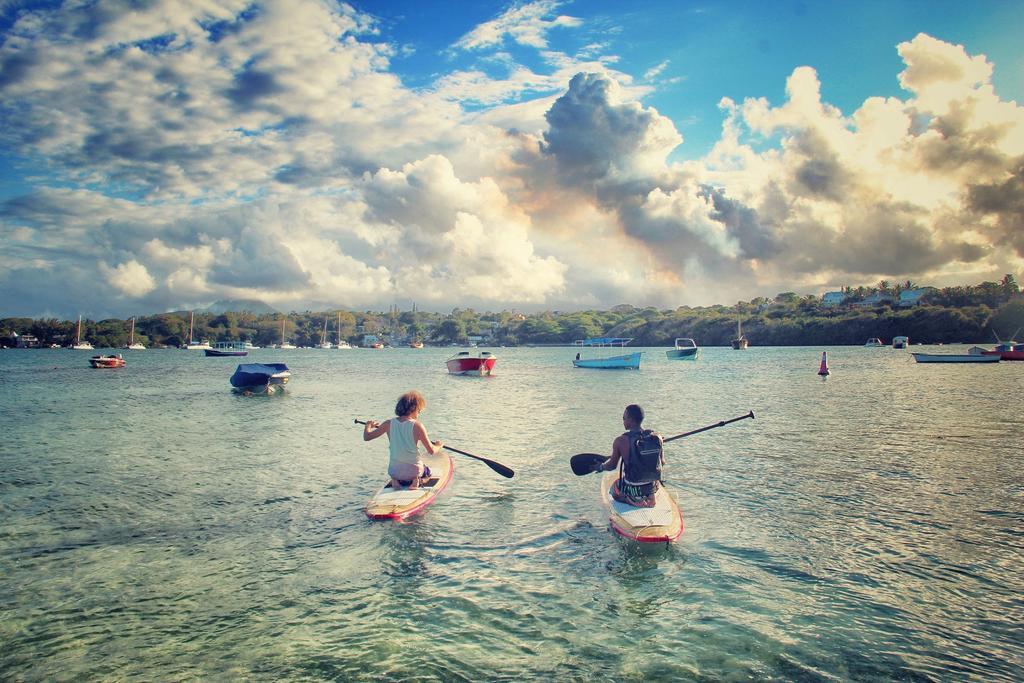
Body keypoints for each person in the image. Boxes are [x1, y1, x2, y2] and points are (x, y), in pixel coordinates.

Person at [363, 390, 444, 490]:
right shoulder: (418, 426)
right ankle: (417, 480)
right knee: (428, 472)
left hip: (395, 471)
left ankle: (395, 480)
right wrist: (438, 446)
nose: (419, 413)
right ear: (414, 408)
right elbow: (431, 451)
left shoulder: (388, 424)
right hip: (414, 471)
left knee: (399, 469)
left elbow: (367, 437)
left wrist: (368, 426)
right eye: (419, 411)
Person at [596, 404, 663, 507]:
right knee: (656, 483)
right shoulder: (657, 437)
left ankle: (630, 500)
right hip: (651, 487)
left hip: (632, 487)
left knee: (614, 490)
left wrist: (601, 467)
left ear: (631, 420)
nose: (623, 420)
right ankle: (651, 497)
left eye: (624, 418)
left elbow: (612, 466)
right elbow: (662, 462)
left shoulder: (620, 441)